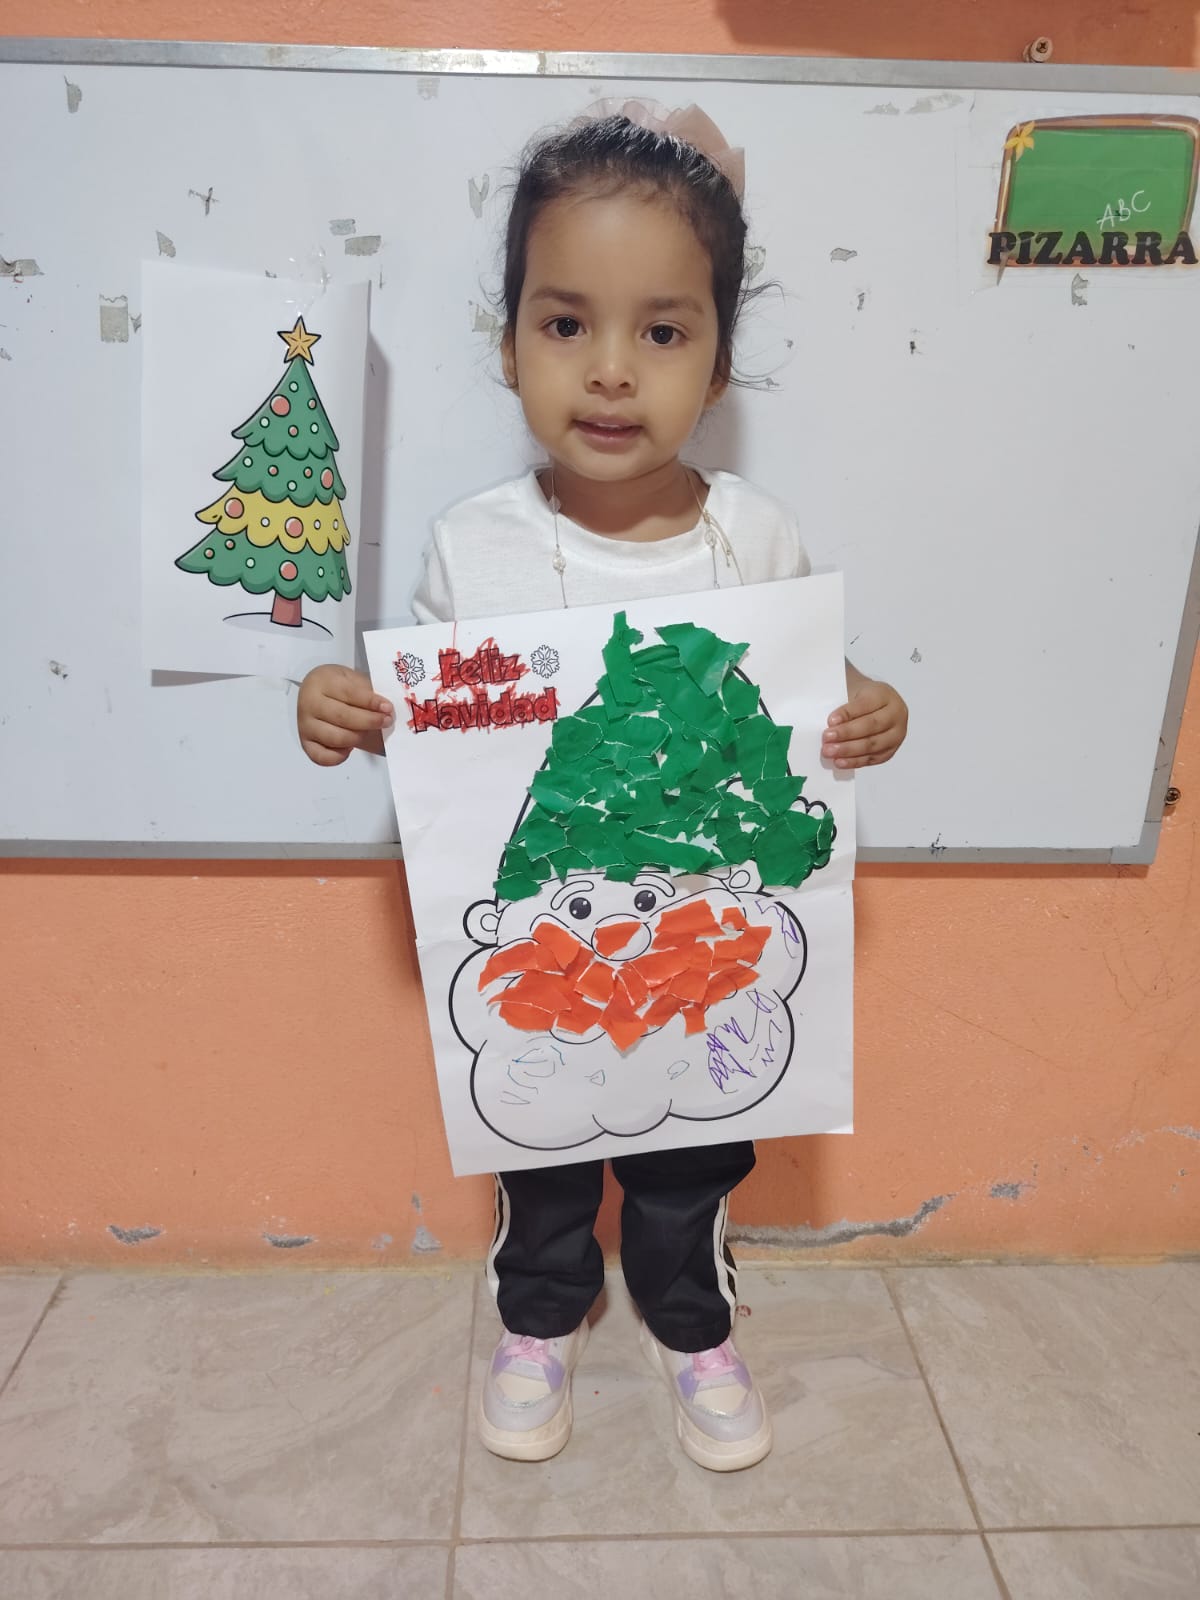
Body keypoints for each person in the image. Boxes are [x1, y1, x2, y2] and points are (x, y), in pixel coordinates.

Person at [295, 103, 908, 1472]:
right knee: (544, 1153)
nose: (613, 371)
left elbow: (811, 695)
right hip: (551, 945)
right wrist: (346, 711)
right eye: (567, 323)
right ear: (509, 343)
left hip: (707, 946)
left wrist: (874, 708)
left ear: (721, 359)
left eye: (664, 331)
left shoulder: (757, 537)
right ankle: (539, 1318)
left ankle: (693, 1326)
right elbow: (441, 738)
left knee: (695, 1163)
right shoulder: (474, 547)